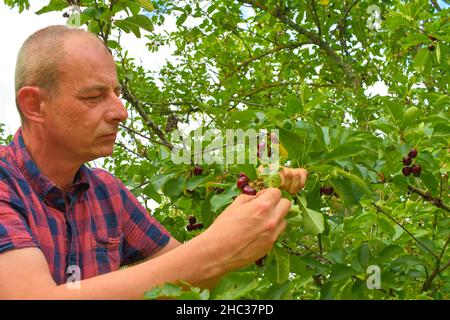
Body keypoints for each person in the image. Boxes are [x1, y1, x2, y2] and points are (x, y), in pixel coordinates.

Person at [0, 25, 308, 299]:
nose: (120, 111)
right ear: (35, 105)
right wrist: (216, 248)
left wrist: (251, 206)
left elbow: (187, 280)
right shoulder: (5, 181)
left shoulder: (107, 192)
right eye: (94, 96)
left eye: (117, 93)